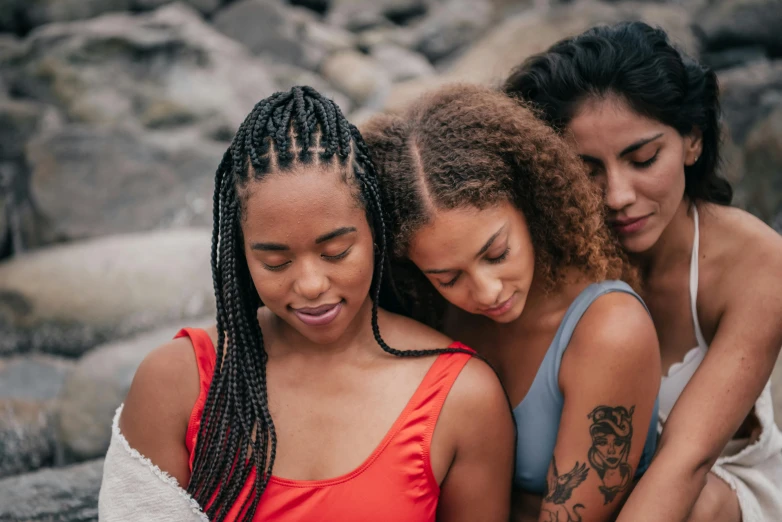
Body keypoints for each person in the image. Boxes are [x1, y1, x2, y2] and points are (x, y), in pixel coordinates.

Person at [104, 86, 515, 521]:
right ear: (240, 256)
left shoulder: (463, 397)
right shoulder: (177, 382)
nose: (311, 284)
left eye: (336, 252)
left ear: (375, 230)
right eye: (275, 262)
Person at [505, 20, 782, 522]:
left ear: (692, 141)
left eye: (644, 158)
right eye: (587, 169)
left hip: (712, 487)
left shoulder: (757, 263)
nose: (617, 196)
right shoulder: (543, 252)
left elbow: (687, 459)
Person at [363, 84, 661, 522]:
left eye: (497, 254)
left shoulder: (609, 331)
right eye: (449, 277)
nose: (486, 292)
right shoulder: (423, 309)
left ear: (531, 204)